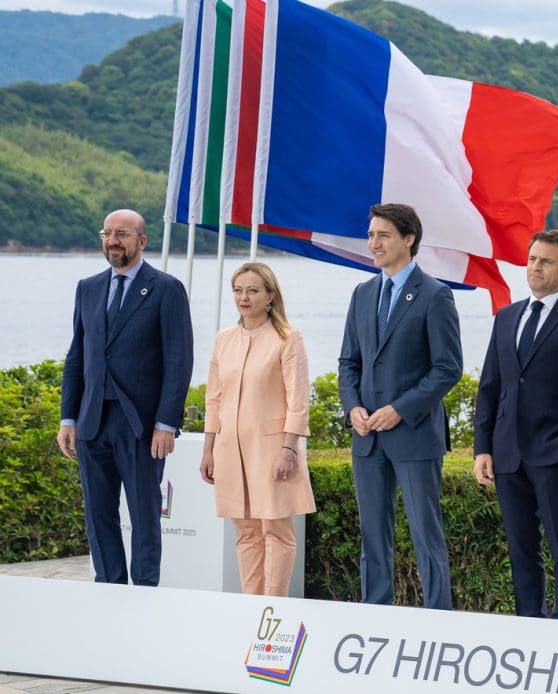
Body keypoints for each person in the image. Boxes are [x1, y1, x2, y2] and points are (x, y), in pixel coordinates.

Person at [474, 229, 558, 621]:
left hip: (555, 452)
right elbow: (491, 387)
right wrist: (483, 447)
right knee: (521, 547)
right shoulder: (507, 316)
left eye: (546, 261)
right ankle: (529, 624)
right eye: (533, 259)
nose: (535, 267)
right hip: (507, 453)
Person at [57, 209, 192, 586]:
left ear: (141, 241)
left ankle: (146, 595)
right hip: (92, 422)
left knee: (145, 517)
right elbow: (77, 356)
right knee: (98, 517)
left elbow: (179, 361)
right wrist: (68, 417)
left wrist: (167, 423)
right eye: (108, 233)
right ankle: (109, 592)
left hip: (142, 427)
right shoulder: (88, 287)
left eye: (122, 234)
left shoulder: (166, 288)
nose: (113, 240)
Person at [338, 203, 462, 610]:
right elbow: (349, 363)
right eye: (371, 235)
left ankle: (437, 617)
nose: (374, 243)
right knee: (373, 536)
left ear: (408, 239)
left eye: (383, 235)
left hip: (413, 435)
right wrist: (352, 407)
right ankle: (375, 613)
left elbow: (448, 368)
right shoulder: (363, 293)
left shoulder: (435, 295)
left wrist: (400, 409)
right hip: (367, 438)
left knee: (426, 535)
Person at [199, 262, 316, 596]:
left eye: (252, 290)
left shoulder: (288, 338)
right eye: (238, 290)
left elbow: (298, 400)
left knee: (277, 530)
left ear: (270, 295)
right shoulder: (224, 339)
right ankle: (250, 606)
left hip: (272, 449)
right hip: (229, 449)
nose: (243, 297)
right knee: (246, 531)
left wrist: (289, 449)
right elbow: (214, 398)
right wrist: (208, 450)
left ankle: (274, 606)